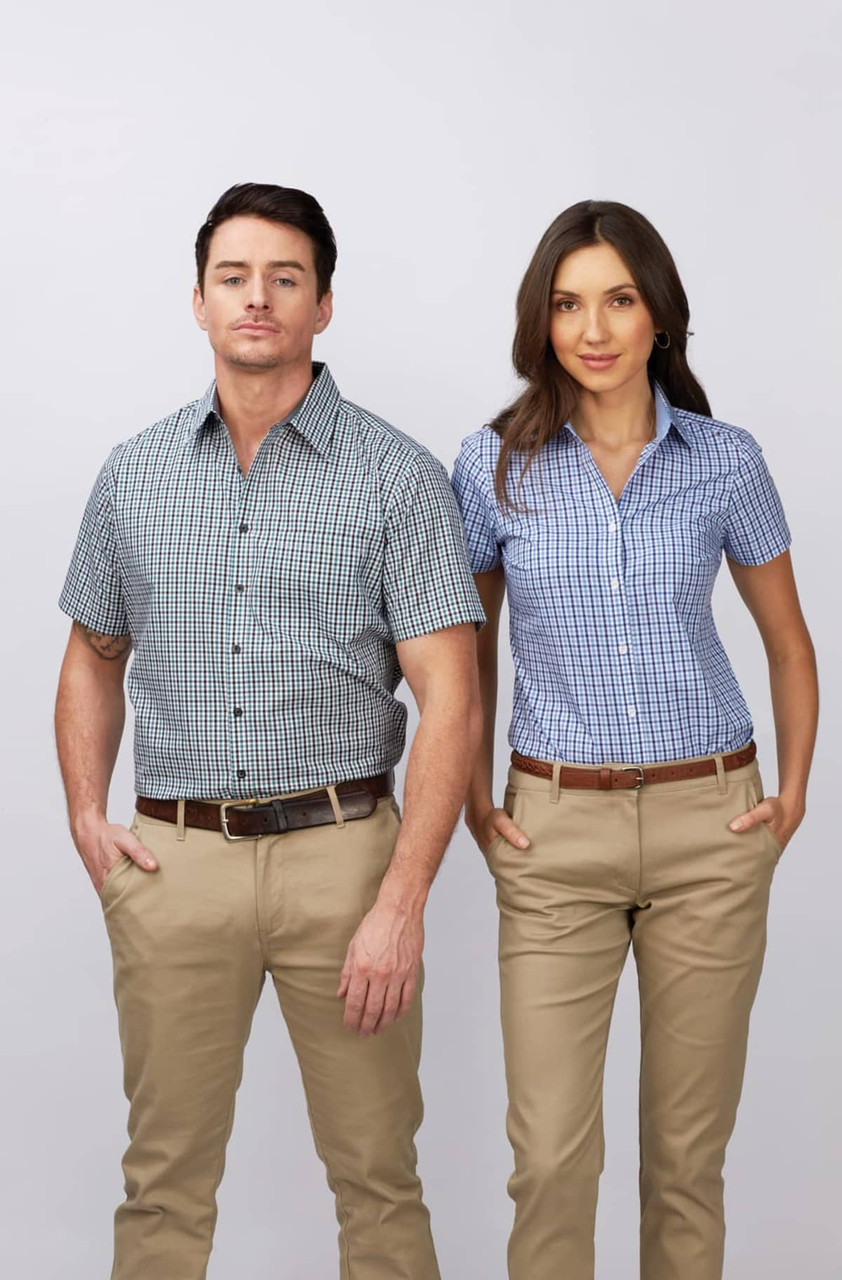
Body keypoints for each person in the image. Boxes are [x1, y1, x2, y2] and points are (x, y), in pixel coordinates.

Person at [55, 181, 484, 1280]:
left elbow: (454, 696)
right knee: (162, 1178)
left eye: (284, 278)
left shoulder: (394, 475)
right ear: (197, 300)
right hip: (175, 862)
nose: (258, 299)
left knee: (378, 1177)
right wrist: (86, 819)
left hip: (344, 864)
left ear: (323, 304)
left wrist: (400, 899)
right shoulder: (135, 475)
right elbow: (92, 656)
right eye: (235, 278)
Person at [451, 199, 817, 1280]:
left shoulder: (722, 458)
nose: (593, 328)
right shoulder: (490, 463)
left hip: (712, 824)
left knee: (683, 1158)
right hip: (552, 831)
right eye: (567, 304)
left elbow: (787, 644)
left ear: (658, 312)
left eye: (617, 298)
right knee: (551, 1159)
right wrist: (478, 798)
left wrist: (787, 797)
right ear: (540, 320)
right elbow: (469, 652)